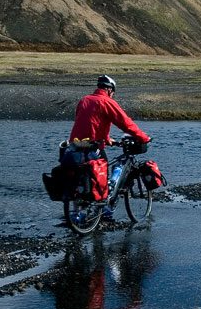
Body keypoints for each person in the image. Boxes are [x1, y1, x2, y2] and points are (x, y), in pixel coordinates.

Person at [63, 75, 151, 219]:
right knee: (102, 175)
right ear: (110, 90)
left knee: (80, 174)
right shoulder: (106, 101)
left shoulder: (84, 100)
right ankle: (106, 209)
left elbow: (89, 121)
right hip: (92, 146)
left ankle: (76, 213)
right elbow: (125, 123)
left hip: (75, 144)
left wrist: (106, 138)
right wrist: (143, 137)